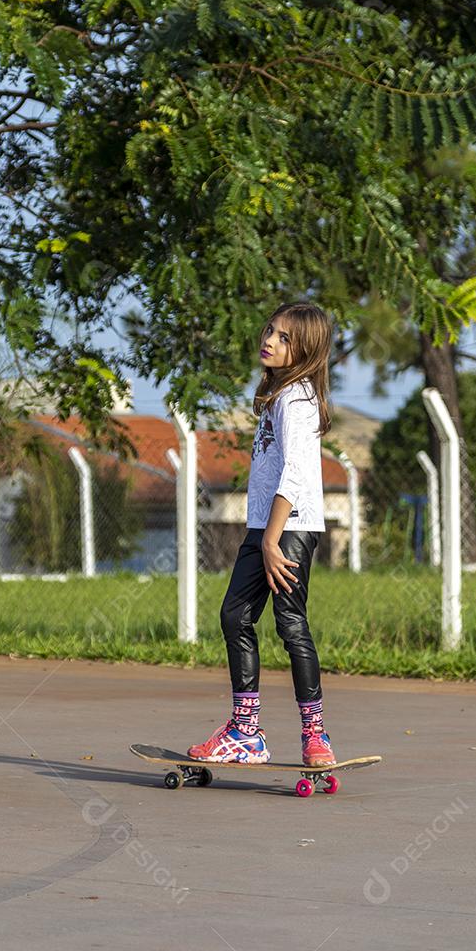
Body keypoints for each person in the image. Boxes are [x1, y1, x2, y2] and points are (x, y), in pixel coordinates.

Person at [187, 302, 337, 767]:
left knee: (291, 624)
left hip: (287, 529)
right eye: (270, 330)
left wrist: (271, 540)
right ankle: (245, 732)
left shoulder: (297, 399)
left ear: (306, 350)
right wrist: (263, 534)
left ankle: (315, 735)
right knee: (236, 615)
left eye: (284, 337)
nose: (269, 340)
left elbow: (294, 475)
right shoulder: (279, 395)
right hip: (267, 528)